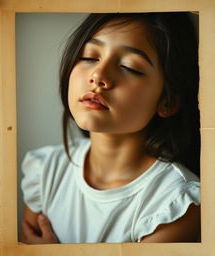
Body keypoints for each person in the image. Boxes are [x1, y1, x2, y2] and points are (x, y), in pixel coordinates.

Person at [21, 12, 201, 244]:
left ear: (167, 102)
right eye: (89, 57)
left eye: (129, 67)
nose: (98, 75)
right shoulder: (44, 171)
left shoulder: (174, 204)